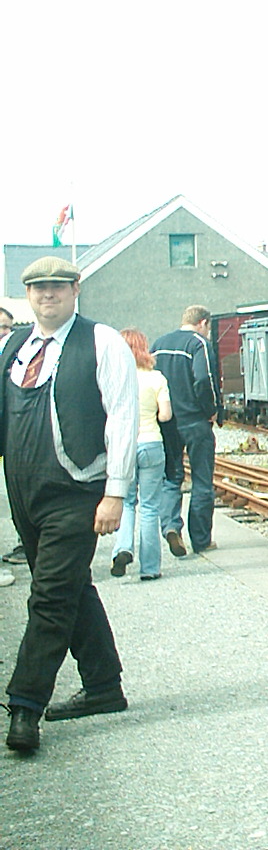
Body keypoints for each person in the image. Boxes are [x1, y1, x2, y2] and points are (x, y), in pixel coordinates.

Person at [2, 257, 138, 752]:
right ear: (28, 294)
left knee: (50, 598)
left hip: (78, 492)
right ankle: (104, 686)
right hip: (25, 495)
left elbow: (122, 418)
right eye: (38, 288)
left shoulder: (102, 342)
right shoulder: (15, 346)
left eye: (57, 286)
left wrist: (115, 493)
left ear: (76, 288)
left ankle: (24, 706)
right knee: (68, 587)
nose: (47, 295)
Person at [152, 305, 222, 556]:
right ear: (203, 323)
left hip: (166, 422)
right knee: (202, 481)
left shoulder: (159, 344)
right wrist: (210, 409)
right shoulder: (198, 344)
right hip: (195, 421)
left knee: (171, 477)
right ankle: (201, 540)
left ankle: (171, 526)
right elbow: (205, 380)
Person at [109, 329, 173, 581]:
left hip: (123, 446)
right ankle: (150, 568)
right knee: (149, 507)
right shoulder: (156, 378)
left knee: (125, 503)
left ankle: (123, 548)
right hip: (151, 444)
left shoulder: (114, 378)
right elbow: (165, 416)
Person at [0, 305, 26, 576]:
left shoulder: (18, 358)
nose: (4, 333)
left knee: (16, 496)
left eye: (7, 327)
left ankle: (24, 542)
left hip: (13, 442)